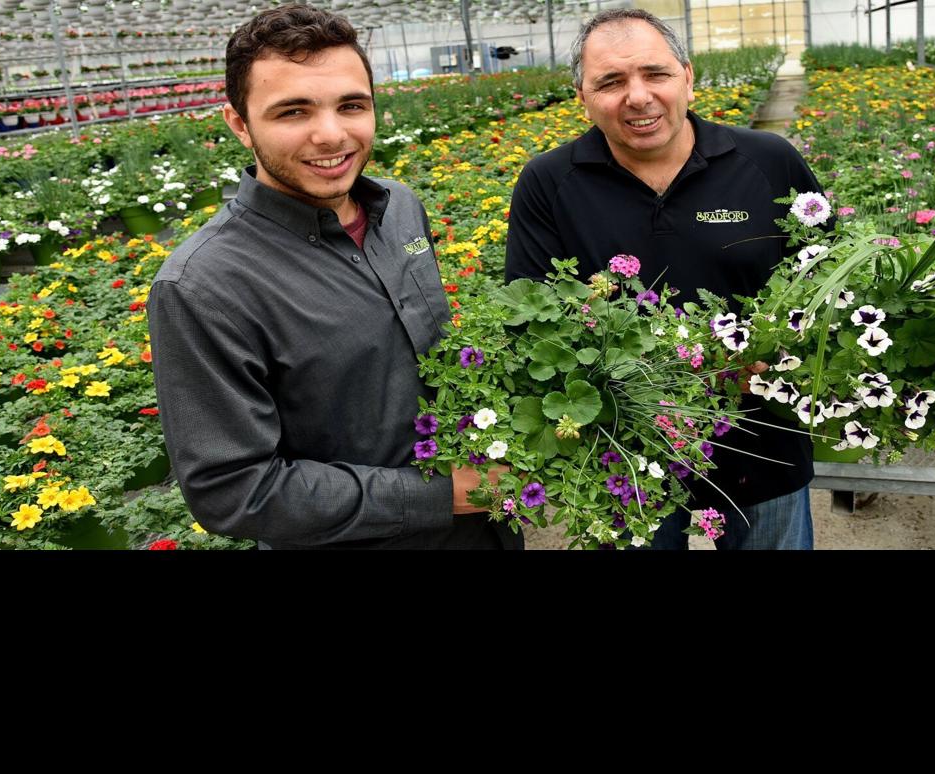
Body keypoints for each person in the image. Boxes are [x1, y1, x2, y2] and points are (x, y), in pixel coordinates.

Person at [148, 4, 518, 549]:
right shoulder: (203, 286)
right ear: (240, 125)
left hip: (483, 533)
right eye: (293, 112)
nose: (331, 134)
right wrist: (443, 494)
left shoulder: (401, 209)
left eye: (351, 105)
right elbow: (234, 490)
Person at [504, 7, 821, 550]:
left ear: (688, 78)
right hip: (624, 451)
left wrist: (787, 356)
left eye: (656, 74)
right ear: (582, 95)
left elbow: (826, 280)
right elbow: (532, 319)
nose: (638, 96)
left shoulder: (768, 162)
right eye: (610, 81)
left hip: (762, 435)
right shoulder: (548, 183)